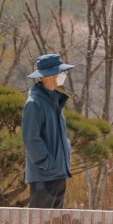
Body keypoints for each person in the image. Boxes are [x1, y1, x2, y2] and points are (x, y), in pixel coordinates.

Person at [22, 53, 74, 208]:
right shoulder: (34, 103)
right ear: (51, 75)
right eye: (61, 71)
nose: (63, 74)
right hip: (44, 177)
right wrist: (48, 164)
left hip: (58, 174)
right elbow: (31, 139)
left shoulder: (54, 101)